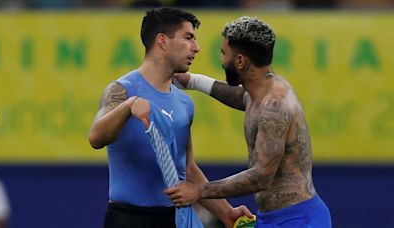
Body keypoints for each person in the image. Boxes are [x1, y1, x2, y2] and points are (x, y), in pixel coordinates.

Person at [88, 8, 252, 228]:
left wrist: (226, 212)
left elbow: (187, 168)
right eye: (188, 38)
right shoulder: (121, 90)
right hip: (127, 219)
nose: (197, 48)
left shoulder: (185, 103)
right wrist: (129, 105)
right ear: (163, 41)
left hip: (172, 219)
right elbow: (96, 138)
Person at [166, 16, 332, 227]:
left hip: (298, 221)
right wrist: (192, 80)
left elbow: (261, 176)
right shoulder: (260, 91)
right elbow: (239, 96)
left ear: (241, 61)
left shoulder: (275, 106)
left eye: (223, 53)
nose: (221, 60)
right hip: (273, 217)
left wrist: (199, 190)